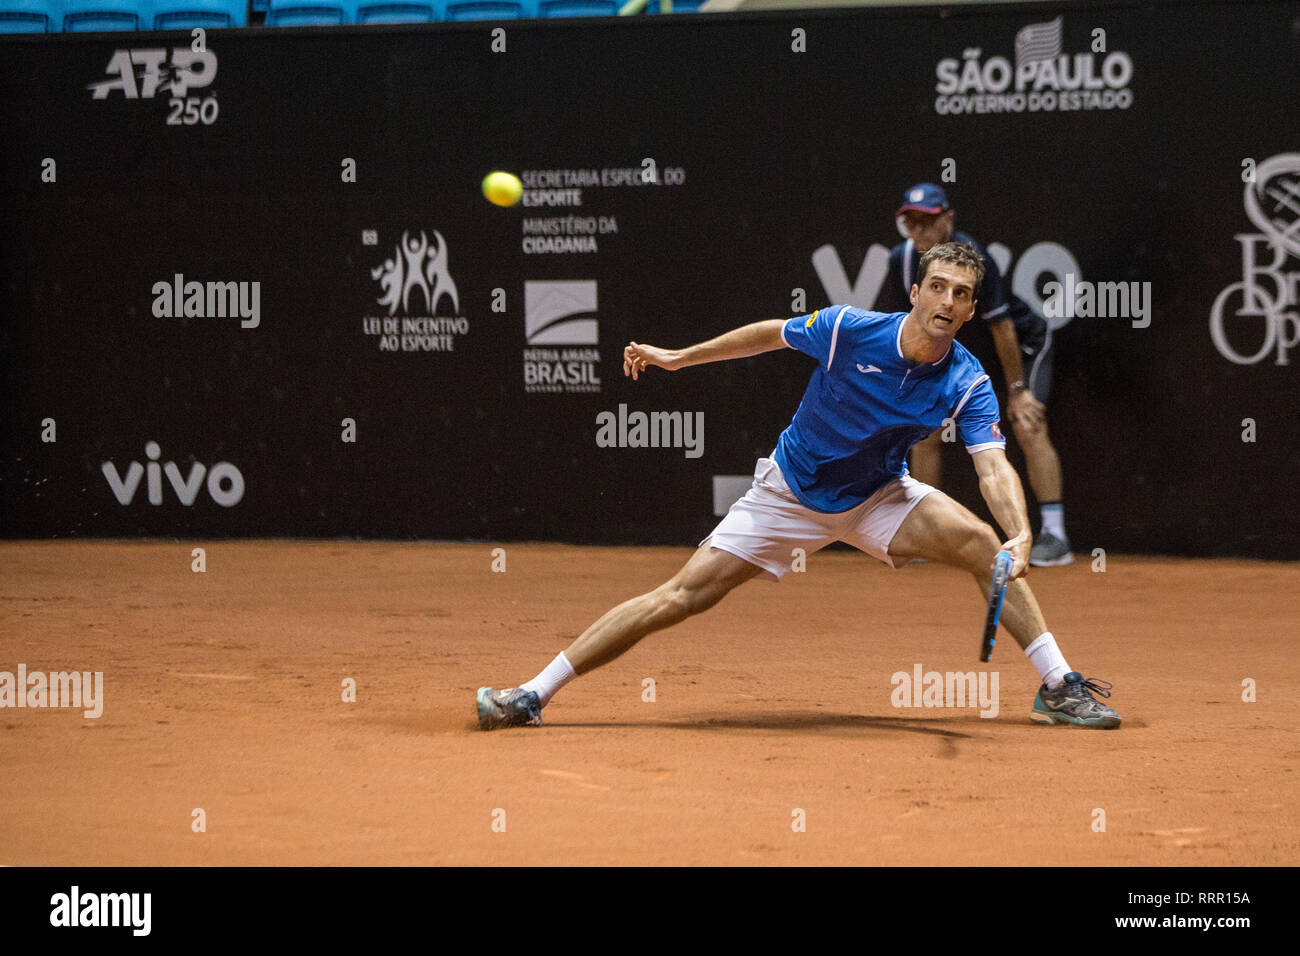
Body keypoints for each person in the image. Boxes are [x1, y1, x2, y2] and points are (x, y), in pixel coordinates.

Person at [477, 242, 1119, 731]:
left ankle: (1057, 686)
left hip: (878, 497)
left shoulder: (969, 379)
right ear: (916, 291)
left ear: (973, 308)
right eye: (939, 288)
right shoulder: (848, 329)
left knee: (984, 546)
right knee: (680, 597)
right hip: (788, 495)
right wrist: (678, 357)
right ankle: (533, 694)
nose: (948, 303)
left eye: (962, 295)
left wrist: (1021, 532)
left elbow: (991, 465)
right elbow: (767, 336)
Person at [879, 184, 1072, 567]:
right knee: (924, 429)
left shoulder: (976, 259)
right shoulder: (900, 261)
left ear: (948, 220)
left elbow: (1002, 329)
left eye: (928, 221)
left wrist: (1017, 391)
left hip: (1021, 347)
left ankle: (1055, 533)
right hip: (960, 356)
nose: (919, 230)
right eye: (911, 222)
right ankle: (924, 531)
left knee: (1027, 423)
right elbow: (907, 326)